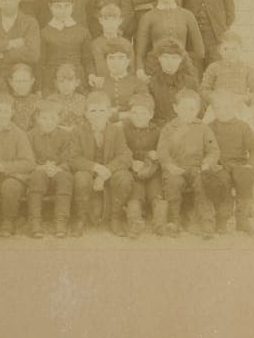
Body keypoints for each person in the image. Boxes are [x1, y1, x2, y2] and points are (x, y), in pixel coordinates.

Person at [157, 88, 222, 239]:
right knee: (172, 183)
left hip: (197, 168)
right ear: (175, 108)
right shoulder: (168, 128)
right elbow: (162, 151)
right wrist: (170, 166)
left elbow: (213, 151)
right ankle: (174, 220)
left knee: (203, 183)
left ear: (198, 110)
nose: (188, 112)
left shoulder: (203, 128)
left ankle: (207, 223)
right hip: (176, 168)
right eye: (184, 108)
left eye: (192, 109)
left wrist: (207, 163)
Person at [68, 90, 134, 237]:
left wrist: (107, 172)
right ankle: (80, 218)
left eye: (102, 110)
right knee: (81, 177)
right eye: (93, 110)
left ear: (109, 112)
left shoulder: (116, 131)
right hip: (88, 174)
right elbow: (73, 158)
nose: (98, 114)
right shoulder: (78, 131)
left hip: (109, 175)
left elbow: (126, 155)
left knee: (125, 177)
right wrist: (95, 168)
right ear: (86, 113)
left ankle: (115, 217)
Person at [0, 92, 36, 237]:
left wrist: (5, 167)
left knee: (9, 187)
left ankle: (8, 221)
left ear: (12, 113)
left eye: (6, 111)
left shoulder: (19, 134)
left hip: (14, 176)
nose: (2, 115)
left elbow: (29, 163)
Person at [209, 89, 254, 234]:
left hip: (240, 165)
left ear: (234, 108)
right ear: (214, 110)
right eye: (218, 108)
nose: (223, 111)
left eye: (227, 107)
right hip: (220, 166)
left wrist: (250, 163)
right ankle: (221, 220)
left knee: (245, 178)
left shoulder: (242, 126)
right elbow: (205, 149)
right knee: (222, 182)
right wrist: (212, 164)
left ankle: (243, 220)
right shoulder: (210, 128)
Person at [134, 0, 205, 78]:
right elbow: (140, 51)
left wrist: (191, 70)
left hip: (182, 69)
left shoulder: (187, 15)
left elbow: (199, 51)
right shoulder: (148, 17)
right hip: (155, 70)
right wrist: (140, 71)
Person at [27, 100, 76, 238]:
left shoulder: (66, 136)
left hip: (58, 170)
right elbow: (27, 158)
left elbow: (70, 157)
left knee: (65, 178)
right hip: (38, 171)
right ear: (37, 118)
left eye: (53, 118)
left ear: (59, 119)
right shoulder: (30, 136)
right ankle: (35, 221)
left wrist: (59, 168)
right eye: (44, 118)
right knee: (37, 176)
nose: (48, 122)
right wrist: (40, 167)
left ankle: (61, 221)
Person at [120, 93, 164, 237]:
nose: (138, 117)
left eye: (143, 113)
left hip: (152, 171)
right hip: (133, 172)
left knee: (156, 194)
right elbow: (121, 150)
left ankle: (160, 224)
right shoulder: (124, 129)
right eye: (134, 113)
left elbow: (162, 151)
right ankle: (135, 223)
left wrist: (154, 156)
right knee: (135, 195)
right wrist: (131, 162)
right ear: (129, 114)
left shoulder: (157, 131)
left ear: (151, 114)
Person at [200, 30, 254, 128]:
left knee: (247, 128)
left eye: (234, 49)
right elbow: (204, 89)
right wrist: (216, 98)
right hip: (217, 107)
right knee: (207, 129)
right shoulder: (214, 67)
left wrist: (243, 98)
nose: (230, 52)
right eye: (225, 49)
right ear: (219, 50)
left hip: (239, 107)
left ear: (241, 49)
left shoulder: (247, 69)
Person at [40, 0, 95, 93]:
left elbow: (88, 60)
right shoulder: (44, 33)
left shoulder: (83, 31)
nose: (62, 10)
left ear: (73, 7)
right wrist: (39, 88)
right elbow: (40, 63)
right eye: (58, 7)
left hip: (76, 81)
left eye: (66, 6)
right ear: (50, 7)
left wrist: (91, 75)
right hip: (52, 82)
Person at [146, 38, 200, 125]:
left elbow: (198, 112)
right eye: (165, 57)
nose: (169, 62)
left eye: (174, 58)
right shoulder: (151, 84)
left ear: (181, 60)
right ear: (159, 58)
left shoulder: (191, 83)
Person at [88, 4, 132, 86]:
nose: (110, 23)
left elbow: (131, 68)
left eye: (114, 19)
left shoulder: (126, 43)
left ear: (120, 21)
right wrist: (92, 76)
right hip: (101, 84)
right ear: (100, 21)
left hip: (122, 85)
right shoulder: (95, 44)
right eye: (106, 19)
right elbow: (90, 64)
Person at [101, 40, 145, 120]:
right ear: (106, 61)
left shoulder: (138, 83)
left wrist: (120, 116)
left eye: (120, 58)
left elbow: (144, 108)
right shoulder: (100, 83)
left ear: (128, 60)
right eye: (111, 58)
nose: (115, 62)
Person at [44, 63, 87, 130]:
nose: (66, 85)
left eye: (70, 80)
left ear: (77, 82)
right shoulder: (51, 100)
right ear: (56, 83)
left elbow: (85, 123)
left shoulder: (82, 100)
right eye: (61, 81)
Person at [8, 62, 42, 132]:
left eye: (25, 81)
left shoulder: (39, 101)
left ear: (32, 81)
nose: (21, 85)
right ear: (10, 82)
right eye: (18, 81)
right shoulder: (6, 102)